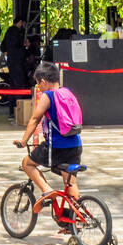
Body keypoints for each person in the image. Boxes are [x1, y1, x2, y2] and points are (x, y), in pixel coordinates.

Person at [13, 62, 83, 223]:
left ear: (43, 81)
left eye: (38, 83)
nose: (38, 87)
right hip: (75, 144)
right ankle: (72, 221)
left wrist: (24, 141)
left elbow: (35, 119)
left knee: (27, 164)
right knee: (70, 181)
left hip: (56, 146)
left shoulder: (48, 96)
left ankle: (47, 190)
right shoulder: (68, 92)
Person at [1, 17, 28, 120]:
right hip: (18, 62)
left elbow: (2, 47)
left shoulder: (8, 32)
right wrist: (24, 44)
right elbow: (19, 43)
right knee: (19, 86)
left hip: (11, 62)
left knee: (12, 87)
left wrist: (8, 52)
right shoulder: (18, 33)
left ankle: (12, 111)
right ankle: (19, 111)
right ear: (20, 22)